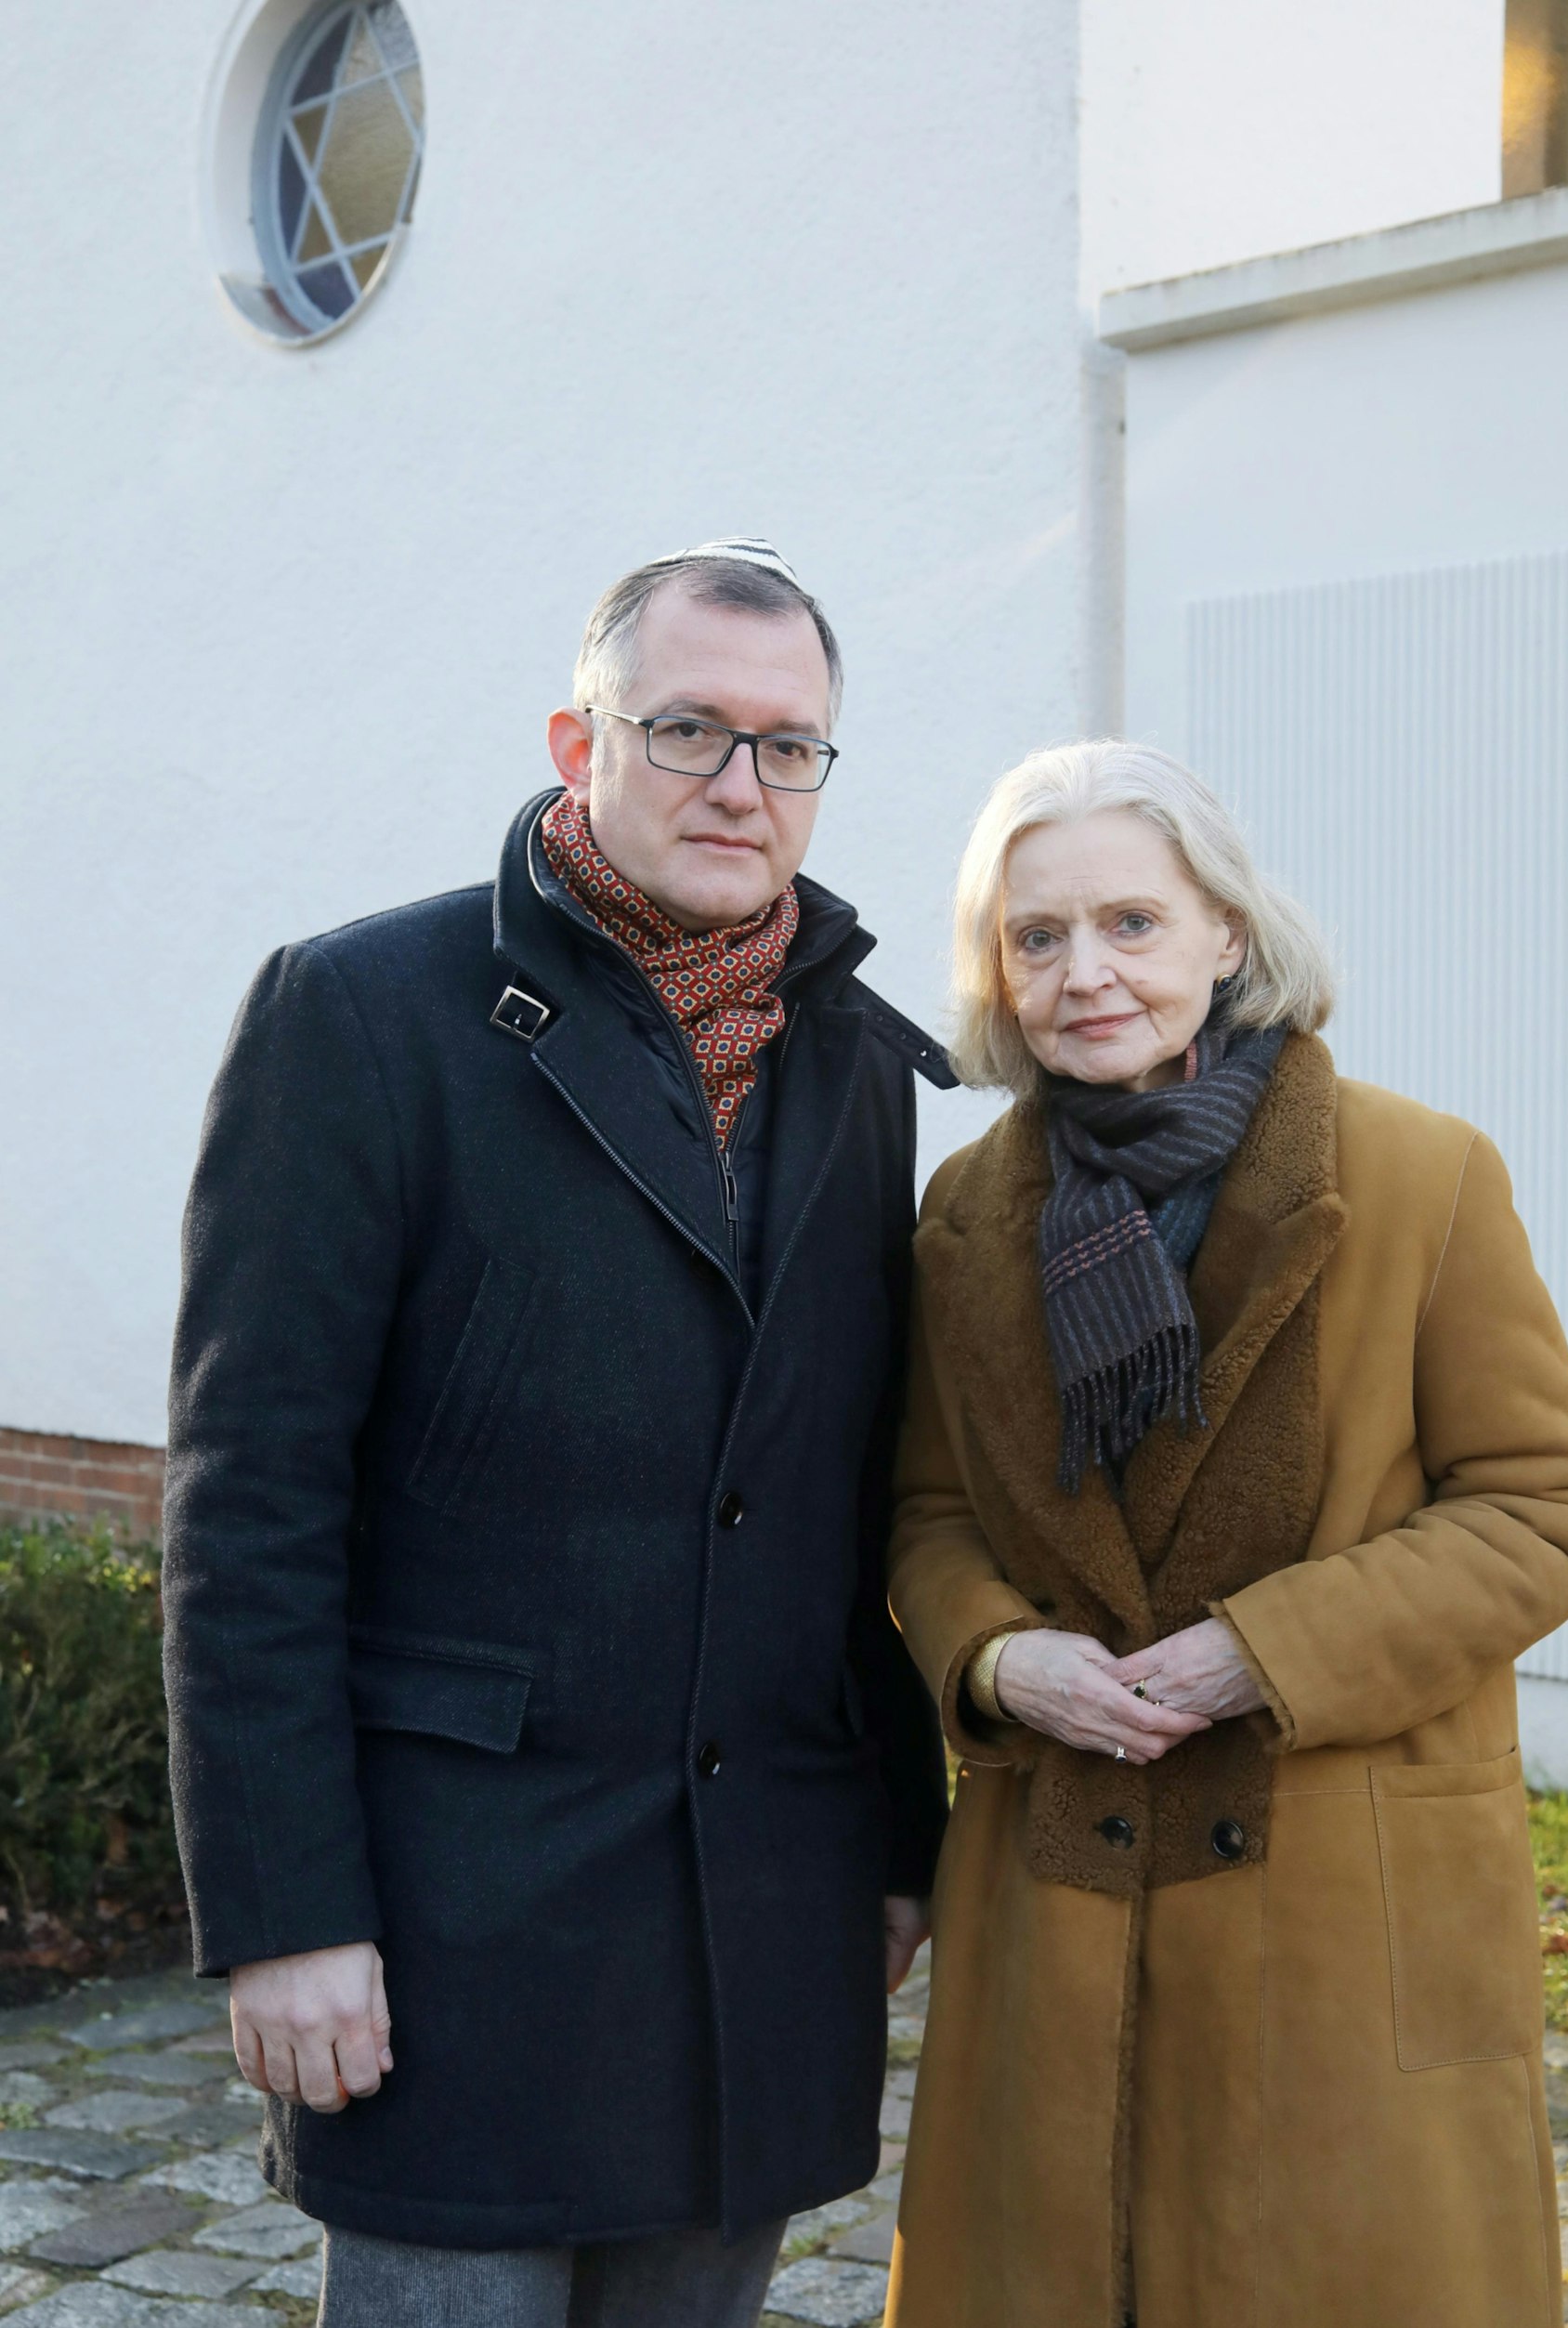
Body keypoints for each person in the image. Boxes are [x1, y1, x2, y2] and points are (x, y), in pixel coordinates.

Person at [162, 538, 951, 2328]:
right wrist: (285, 1910)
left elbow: (841, 1483)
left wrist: (902, 1835)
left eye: (788, 743)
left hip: (760, 1912)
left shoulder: (856, 1064)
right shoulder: (361, 1013)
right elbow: (252, 1498)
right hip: (460, 1922)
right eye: (686, 728)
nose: (740, 783)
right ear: (574, 735)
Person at [882, 739, 1568, 2328]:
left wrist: (1257, 1654)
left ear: (1228, 930)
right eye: (1038, 936)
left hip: (1344, 1901)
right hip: (1059, 1895)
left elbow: (1548, 1509)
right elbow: (930, 1514)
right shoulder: (962, 1218)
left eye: (1131, 923)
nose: (1086, 974)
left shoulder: (1421, 1176)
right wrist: (1004, 1660)